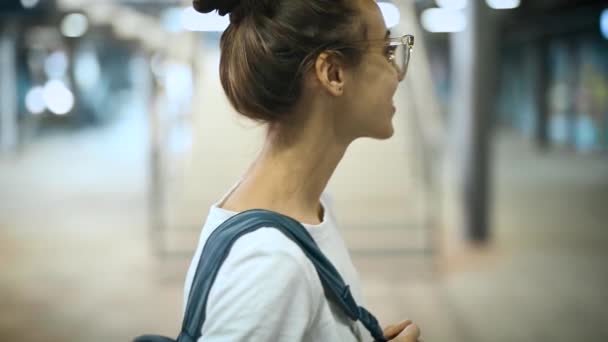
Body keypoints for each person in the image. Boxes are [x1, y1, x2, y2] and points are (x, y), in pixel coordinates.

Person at [183, 0, 421, 341]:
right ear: (333, 73)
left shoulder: (308, 211)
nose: (396, 72)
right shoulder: (269, 266)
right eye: (385, 50)